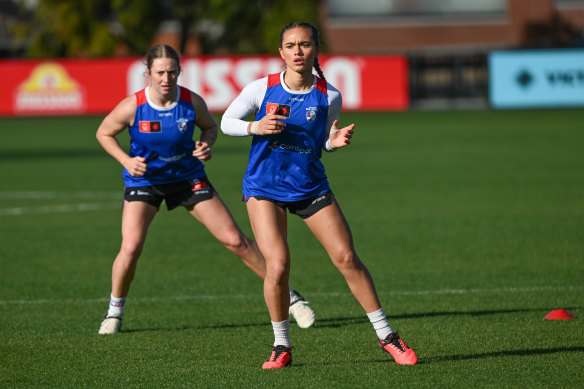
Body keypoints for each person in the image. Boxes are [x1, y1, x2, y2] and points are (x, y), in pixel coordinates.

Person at [221, 22, 418, 369]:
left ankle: (387, 336)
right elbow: (226, 122)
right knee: (278, 266)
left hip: (309, 186)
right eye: (290, 45)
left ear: (315, 49)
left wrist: (332, 142)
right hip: (264, 188)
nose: (297, 51)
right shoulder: (261, 88)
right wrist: (255, 126)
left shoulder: (330, 96)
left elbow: (322, 140)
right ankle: (282, 345)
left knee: (347, 258)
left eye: (305, 44)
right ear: (281, 52)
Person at [96, 44, 315, 335]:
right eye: (160, 72)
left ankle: (291, 297)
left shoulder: (191, 102)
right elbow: (103, 132)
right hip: (145, 182)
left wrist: (205, 145)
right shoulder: (133, 106)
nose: (166, 78)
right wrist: (125, 159)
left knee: (236, 240)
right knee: (131, 247)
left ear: (179, 72)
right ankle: (114, 312)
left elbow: (210, 128)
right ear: (147, 73)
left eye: (172, 72)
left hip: (189, 179)